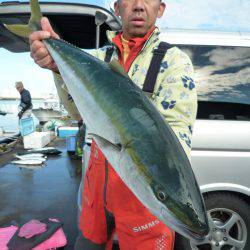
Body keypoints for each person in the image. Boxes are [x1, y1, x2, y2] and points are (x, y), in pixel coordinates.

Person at [29, 0, 197, 249]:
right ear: (117, 8)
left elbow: (175, 137)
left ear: (160, 9)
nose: (139, 6)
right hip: (95, 199)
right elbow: (77, 111)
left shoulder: (173, 63)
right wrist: (56, 67)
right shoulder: (99, 58)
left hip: (142, 210)